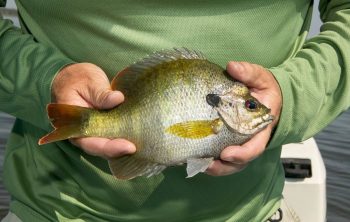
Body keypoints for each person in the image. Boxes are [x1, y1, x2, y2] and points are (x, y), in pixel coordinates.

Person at [0, 0, 349, 221]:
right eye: (250, 106)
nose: (256, 111)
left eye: (250, 106)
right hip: (56, 212)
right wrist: (45, 80)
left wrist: (293, 95)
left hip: (254, 212)